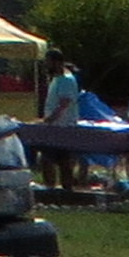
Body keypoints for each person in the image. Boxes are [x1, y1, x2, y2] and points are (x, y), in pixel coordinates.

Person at [40, 48, 80, 190]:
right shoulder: (56, 79)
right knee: (51, 160)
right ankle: (52, 188)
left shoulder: (66, 80)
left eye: (48, 61)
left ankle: (64, 190)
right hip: (55, 126)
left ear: (56, 62)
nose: (46, 64)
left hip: (63, 127)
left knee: (59, 161)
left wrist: (49, 119)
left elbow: (64, 103)